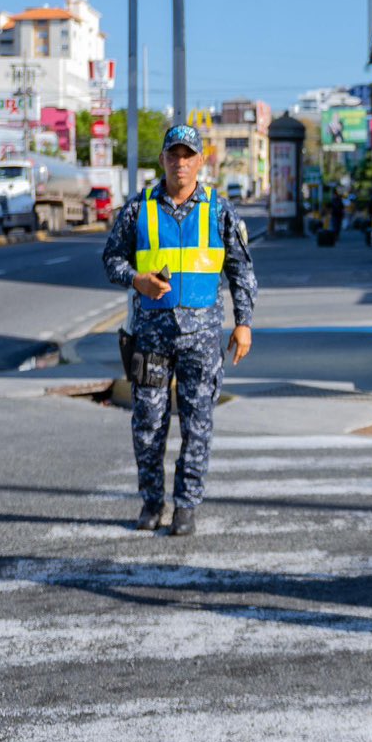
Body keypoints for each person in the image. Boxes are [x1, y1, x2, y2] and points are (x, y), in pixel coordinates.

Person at [100, 125, 256, 536]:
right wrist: (137, 280)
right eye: (174, 154)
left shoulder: (219, 210)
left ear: (201, 161)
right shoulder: (140, 209)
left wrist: (243, 324)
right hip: (151, 338)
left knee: (197, 423)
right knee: (148, 424)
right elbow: (111, 259)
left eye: (189, 155)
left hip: (202, 341)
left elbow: (241, 271)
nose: (180, 163)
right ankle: (152, 503)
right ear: (163, 159)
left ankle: (186, 505)